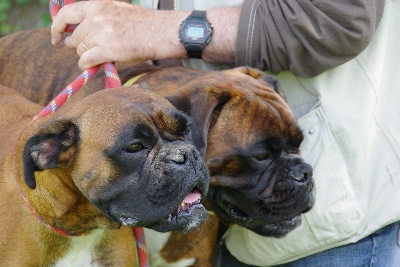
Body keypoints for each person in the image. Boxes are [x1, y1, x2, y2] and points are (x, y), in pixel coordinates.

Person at [51, 1, 400, 266]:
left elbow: (335, 18)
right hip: (224, 226)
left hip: (342, 232)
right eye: (264, 155)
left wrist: (154, 28)